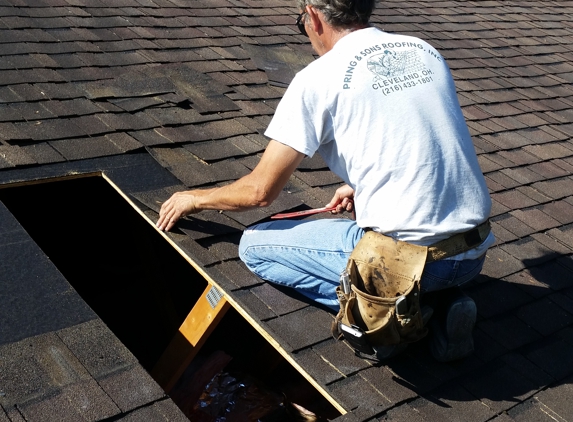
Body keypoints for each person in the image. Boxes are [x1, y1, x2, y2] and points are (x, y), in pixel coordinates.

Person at [157, 0, 495, 362]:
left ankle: (382, 324)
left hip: (405, 264)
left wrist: (194, 198)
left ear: (313, 15)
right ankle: (440, 300)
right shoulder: (423, 51)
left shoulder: (318, 78)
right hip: (473, 253)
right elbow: (423, 135)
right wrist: (361, 183)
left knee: (254, 246)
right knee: (413, 256)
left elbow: (260, 192)